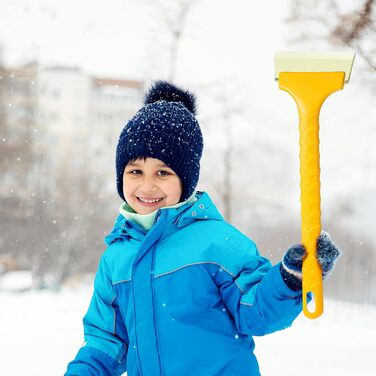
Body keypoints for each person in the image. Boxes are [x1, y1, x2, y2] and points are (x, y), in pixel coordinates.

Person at [65, 81, 341, 376]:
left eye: (163, 172)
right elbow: (107, 343)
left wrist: (290, 279)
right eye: (135, 171)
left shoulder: (217, 244)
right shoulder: (116, 257)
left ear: (186, 180)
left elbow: (256, 312)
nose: (147, 185)